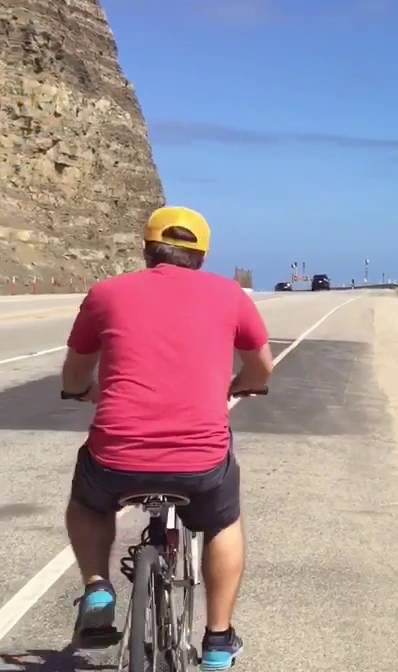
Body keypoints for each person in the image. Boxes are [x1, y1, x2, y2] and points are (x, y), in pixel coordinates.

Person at [61, 206, 273, 670]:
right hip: (200, 462)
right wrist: (241, 386)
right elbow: (261, 367)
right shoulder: (228, 293)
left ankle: (97, 589)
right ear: (201, 256)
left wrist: (83, 392)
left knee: (88, 501)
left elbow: (75, 372)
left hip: (116, 457)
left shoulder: (106, 292)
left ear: (146, 249)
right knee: (222, 521)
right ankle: (218, 640)